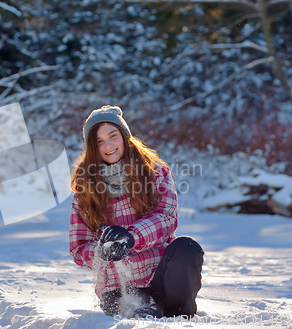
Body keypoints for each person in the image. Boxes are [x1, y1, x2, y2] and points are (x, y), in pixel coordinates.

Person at [69, 105, 204, 319]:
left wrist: (131, 237)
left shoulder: (155, 172)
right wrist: (101, 250)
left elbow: (167, 217)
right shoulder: (85, 190)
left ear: (125, 136)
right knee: (144, 319)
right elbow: (78, 249)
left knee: (187, 248)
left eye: (113, 136)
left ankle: (181, 319)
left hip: (161, 277)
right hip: (118, 287)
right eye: (99, 141)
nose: (109, 145)